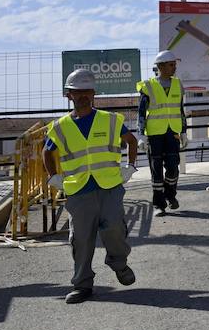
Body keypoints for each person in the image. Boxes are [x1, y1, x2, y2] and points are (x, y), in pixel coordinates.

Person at [42, 68, 139, 304]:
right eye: (78, 92)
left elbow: (131, 141)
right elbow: (47, 151)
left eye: (87, 92)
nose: (83, 96)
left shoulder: (109, 120)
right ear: (69, 95)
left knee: (114, 227)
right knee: (81, 239)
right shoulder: (60, 127)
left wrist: (130, 166)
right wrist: (54, 177)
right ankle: (82, 285)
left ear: (94, 93)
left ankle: (119, 264)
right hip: (78, 191)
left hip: (110, 187)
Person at [137, 49, 186, 214]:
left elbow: (180, 110)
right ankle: (159, 204)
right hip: (154, 134)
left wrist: (184, 132)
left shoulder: (178, 84)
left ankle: (170, 195)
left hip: (173, 133)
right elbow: (141, 112)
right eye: (171, 65)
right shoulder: (148, 86)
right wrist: (141, 135)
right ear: (161, 66)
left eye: (175, 65)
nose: (174, 68)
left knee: (173, 168)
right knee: (156, 170)